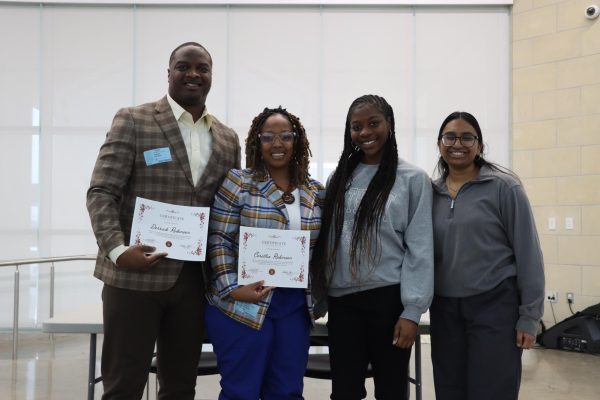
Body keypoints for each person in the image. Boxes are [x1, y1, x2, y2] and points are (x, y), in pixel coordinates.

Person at [86, 42, 240, 399]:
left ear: (211, 76)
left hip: (192, 282)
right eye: (183, 66)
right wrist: (116, 250)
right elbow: (101, 191)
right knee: (123, 384)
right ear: (169, 73)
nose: (193, 74)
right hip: (131, 277)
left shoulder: (228, 139)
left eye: (202, 68)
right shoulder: (134, 119)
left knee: (180, 387)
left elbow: (228, 210)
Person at [311, 94, 434, 400]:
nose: (365, 132)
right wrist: (320, 294)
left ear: (389, 124)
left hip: (388, 301)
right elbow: (328, 241)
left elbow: (420, 247)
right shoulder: (340, 177)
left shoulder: (412, 179)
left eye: (373, 123)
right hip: (343, 304)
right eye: (356, 126)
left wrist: (412, 311)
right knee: (345, 391)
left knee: (391, 390)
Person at [204, 106, 324, 400]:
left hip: (293, 305)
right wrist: (233, 288)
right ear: (257, 142)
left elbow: (320, 249)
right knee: (241, 391)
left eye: (285, 136)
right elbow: (218, 238)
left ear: (297, 141)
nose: (277, 143)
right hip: (241, 304)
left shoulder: (315, 191)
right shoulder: (239, 182)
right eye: (268, 136)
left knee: (287, 391)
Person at [430, 111, 545, 400]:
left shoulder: (505, 188)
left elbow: (528, 253)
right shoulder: (429, 193)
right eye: (450, 136)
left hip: (495, 306)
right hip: (444, 310)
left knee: (492, 391)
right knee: (450, 390)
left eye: (467, 137)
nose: (458, 143)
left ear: (479, 145)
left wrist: (529, 317)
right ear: (439, 144)